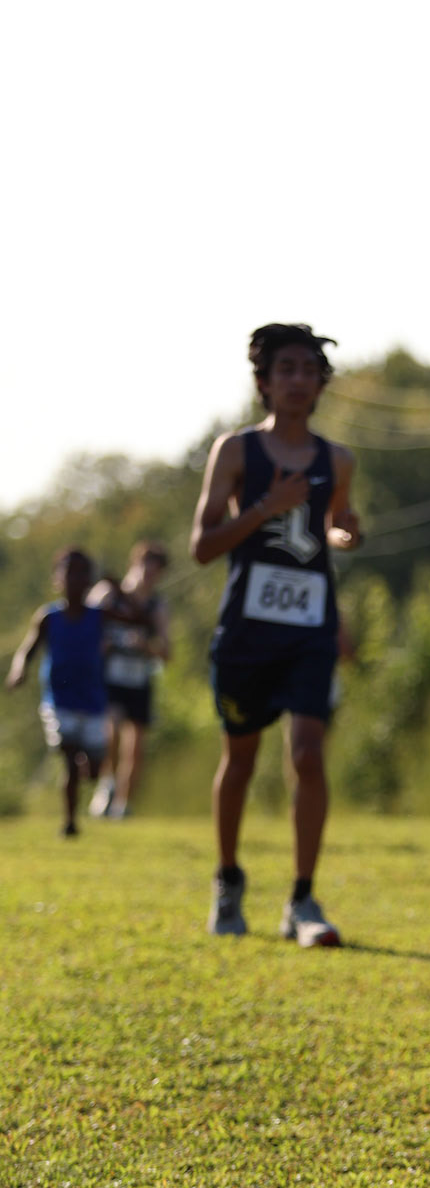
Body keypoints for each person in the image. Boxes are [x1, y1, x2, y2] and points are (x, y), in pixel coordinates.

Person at [190, 323, 362, 943]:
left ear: (321, 383)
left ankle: (302, 899)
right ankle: (229, 882)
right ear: (264, 382)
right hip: (246, 633)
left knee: (308, 755)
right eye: (284, 369)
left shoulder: (337, 460)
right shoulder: (236, 452)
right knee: (239, 758)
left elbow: (334, 528)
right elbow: (202, 547)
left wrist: (346, 531)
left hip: (310, 629)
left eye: (307, 370)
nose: (296, 380)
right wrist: (265, 508)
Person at [7, 548, 113, 836]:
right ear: (57, 579)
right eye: (69, 573)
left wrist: (117, 590)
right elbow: (29, 648)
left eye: (82, 573)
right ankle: (69, 822)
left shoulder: (100, 617)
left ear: (89, 581)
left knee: (92, 766)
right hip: (59, 700)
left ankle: (85, 770)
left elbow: (135, 620)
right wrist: (19, 670)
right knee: (69, 754)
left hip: (92, 701)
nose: (75, 579)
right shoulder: (48, 617)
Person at [88, 540, 171, 819]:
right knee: (110, 729)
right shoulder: (107, 595)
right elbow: (85, 630)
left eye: (155, 571)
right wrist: (103, 644)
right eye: (144, 568)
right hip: (109, 677)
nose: (148, 575)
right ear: (133, 565)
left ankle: (122, 805)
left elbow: (166, 652)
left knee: (136, 746)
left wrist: (145, 646)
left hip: (139, 679)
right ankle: (106, 784)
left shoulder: (157, 607)